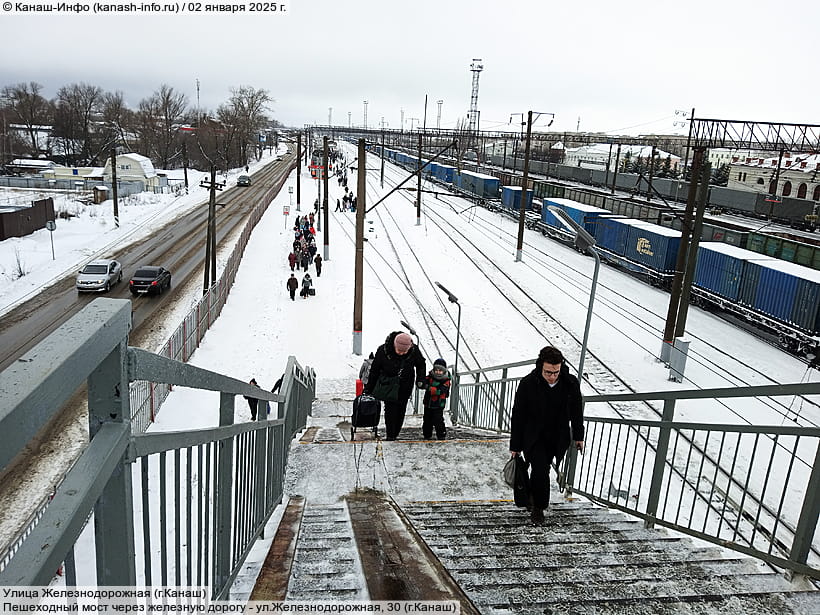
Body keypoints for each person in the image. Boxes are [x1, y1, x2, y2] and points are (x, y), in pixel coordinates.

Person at [509, 346, 584, 525]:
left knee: (540, 471)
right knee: (540, 468)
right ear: (540, 367)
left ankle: (534, 496)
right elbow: (518, 415)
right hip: (533, 436)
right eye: (548, 372)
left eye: (556, 372)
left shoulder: (570, 383)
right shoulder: (528, 383)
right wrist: (515, 445)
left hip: (557, 437)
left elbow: (576, 412)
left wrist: (579, 436)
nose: (552, 376)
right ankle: (539, 508)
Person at [364, 331, 426, 441]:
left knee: (401, 410)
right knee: (390, 410)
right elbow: (375, 370)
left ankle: (395, 433)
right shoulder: (383, 350)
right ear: (394, 345)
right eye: (399, 351)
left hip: (405, 385)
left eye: (404, 351)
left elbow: (421, 364)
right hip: (389, 385)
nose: (401, 353)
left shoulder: (414, 350)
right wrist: (369, 387)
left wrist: (420, 379)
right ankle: (391, 435)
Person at [422, 358, 451, 440]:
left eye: (440, 370)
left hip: (438, 404)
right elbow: (424, 382)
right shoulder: (430, 377)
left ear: (444, 371)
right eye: (436, 370)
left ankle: (441, 435)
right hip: (428, 403)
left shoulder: (446, 380)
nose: (438, 372)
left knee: (438, 420)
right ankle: (427, 435)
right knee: (427, 420)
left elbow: (441, 391)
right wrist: (421, 383)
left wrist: (430, 389)